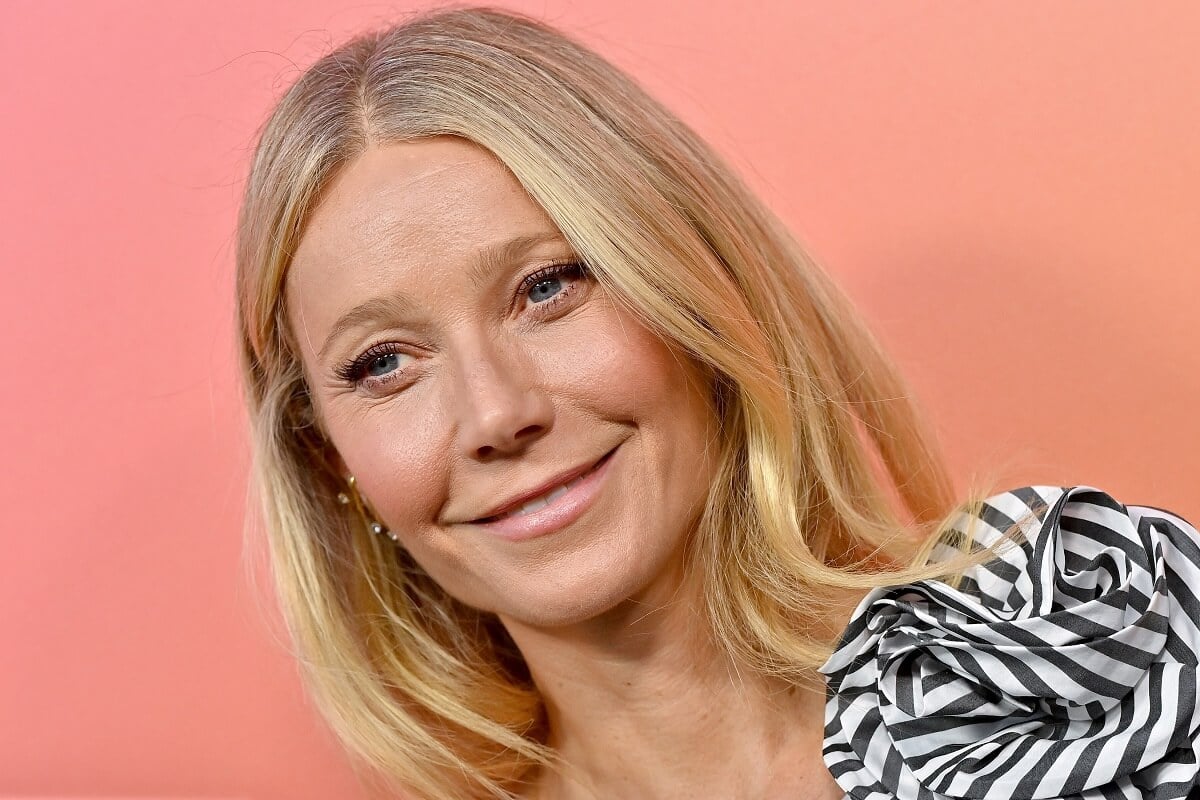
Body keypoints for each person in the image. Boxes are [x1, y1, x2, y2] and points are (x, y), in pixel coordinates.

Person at [233, 6, 1200, 799]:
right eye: (384, 363)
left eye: (546, 288)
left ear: (695, 285)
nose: (496, 415)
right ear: (332, 461)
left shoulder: (1093, 634)